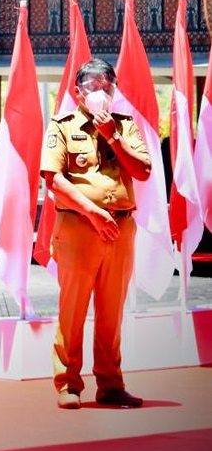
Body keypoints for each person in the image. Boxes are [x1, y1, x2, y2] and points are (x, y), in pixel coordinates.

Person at [40, 58, 151, 410]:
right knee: (72, 309)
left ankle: (110, 383)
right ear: (78, 92)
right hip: (78, 226)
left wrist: (113, 138)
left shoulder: (125, 126)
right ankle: (68, 384)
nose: (100, 92)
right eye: (92, 86)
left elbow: (143, 169)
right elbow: (53, 179)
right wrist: (92, 212)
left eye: (107, 86)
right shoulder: (62, 126)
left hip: (120, 227)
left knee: (111, 310)